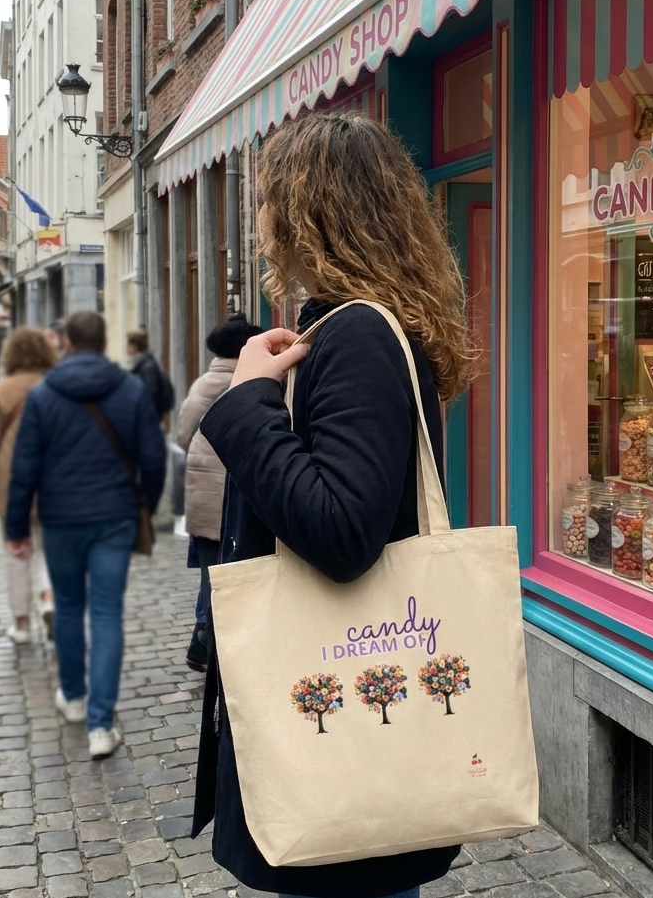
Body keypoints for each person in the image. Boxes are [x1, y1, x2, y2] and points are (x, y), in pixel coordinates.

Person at [191, 113, 472, 898]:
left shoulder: (357, 339)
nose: (257, 219)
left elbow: (342, 530)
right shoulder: (356, 328)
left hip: (345, 741)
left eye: (264, 199)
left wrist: (250, 400)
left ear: (303, 210)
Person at [5, 311, 166, 758]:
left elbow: (24, 467)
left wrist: (17, 526)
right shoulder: (130, 390)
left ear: (68, 344)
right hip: (115, 515)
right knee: (107, 612)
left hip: (60, 518)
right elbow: (154, 459)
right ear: (104, 342)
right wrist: (146, 504)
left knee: (69, 606)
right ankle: (101, 724)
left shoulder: (43, 395)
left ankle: (74, 697)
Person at [177, 313, 263, 672]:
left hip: (205, 495)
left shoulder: (206, 383)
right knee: (227, 578)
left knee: (212, 573)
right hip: (231, 495)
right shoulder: (253, 381)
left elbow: (183, 434)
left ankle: (204, 647)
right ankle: (214, 654)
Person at [0, 327, 57, 644]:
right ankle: (49, 598)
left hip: (10, 484)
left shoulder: (0, 391)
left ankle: (22, 623)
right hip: (51, 481)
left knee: (16, 550)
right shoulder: (54, 385)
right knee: (49, 547)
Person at [128, 330, 174, 419]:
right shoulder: (142, 363)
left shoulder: (147, 366)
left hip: (148, 415)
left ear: (135, 346)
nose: (125, 346)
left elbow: (152, 392)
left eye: (128, 344)